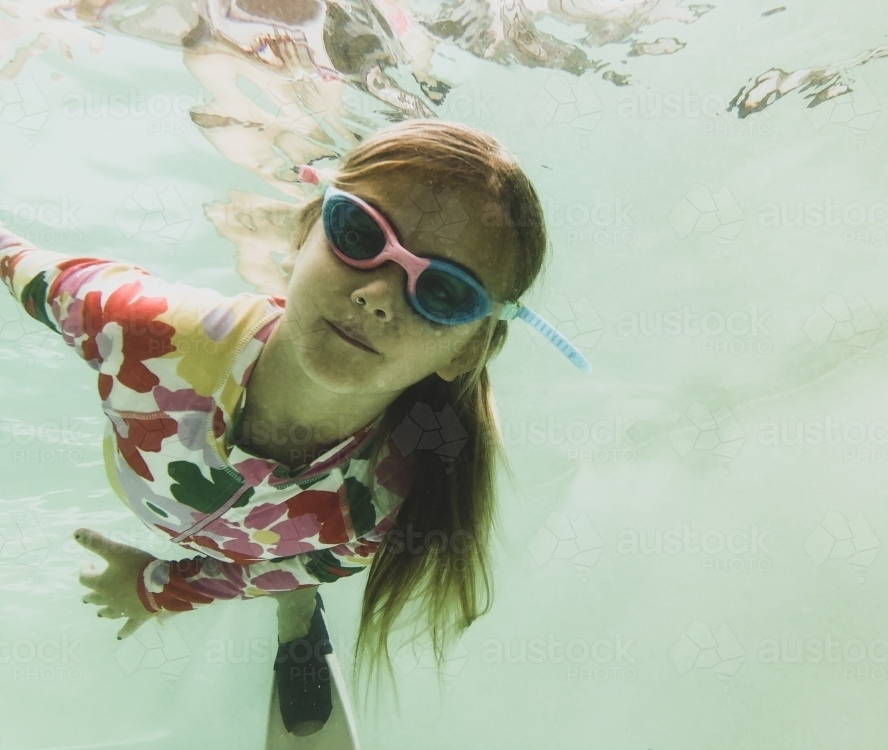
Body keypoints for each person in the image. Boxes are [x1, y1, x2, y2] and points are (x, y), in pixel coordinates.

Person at [0, 118, 589, 734]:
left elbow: (265, 570)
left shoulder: (387, 499)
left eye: (443, 293)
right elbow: (17, 262)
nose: (380, 294)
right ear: (306, 228)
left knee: (287, 578)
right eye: (359, 233)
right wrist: (155, 588)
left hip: (283, 548)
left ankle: (295, 614)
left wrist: (159, 588)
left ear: (466, 351)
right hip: (260, 534)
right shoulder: (149, 331)